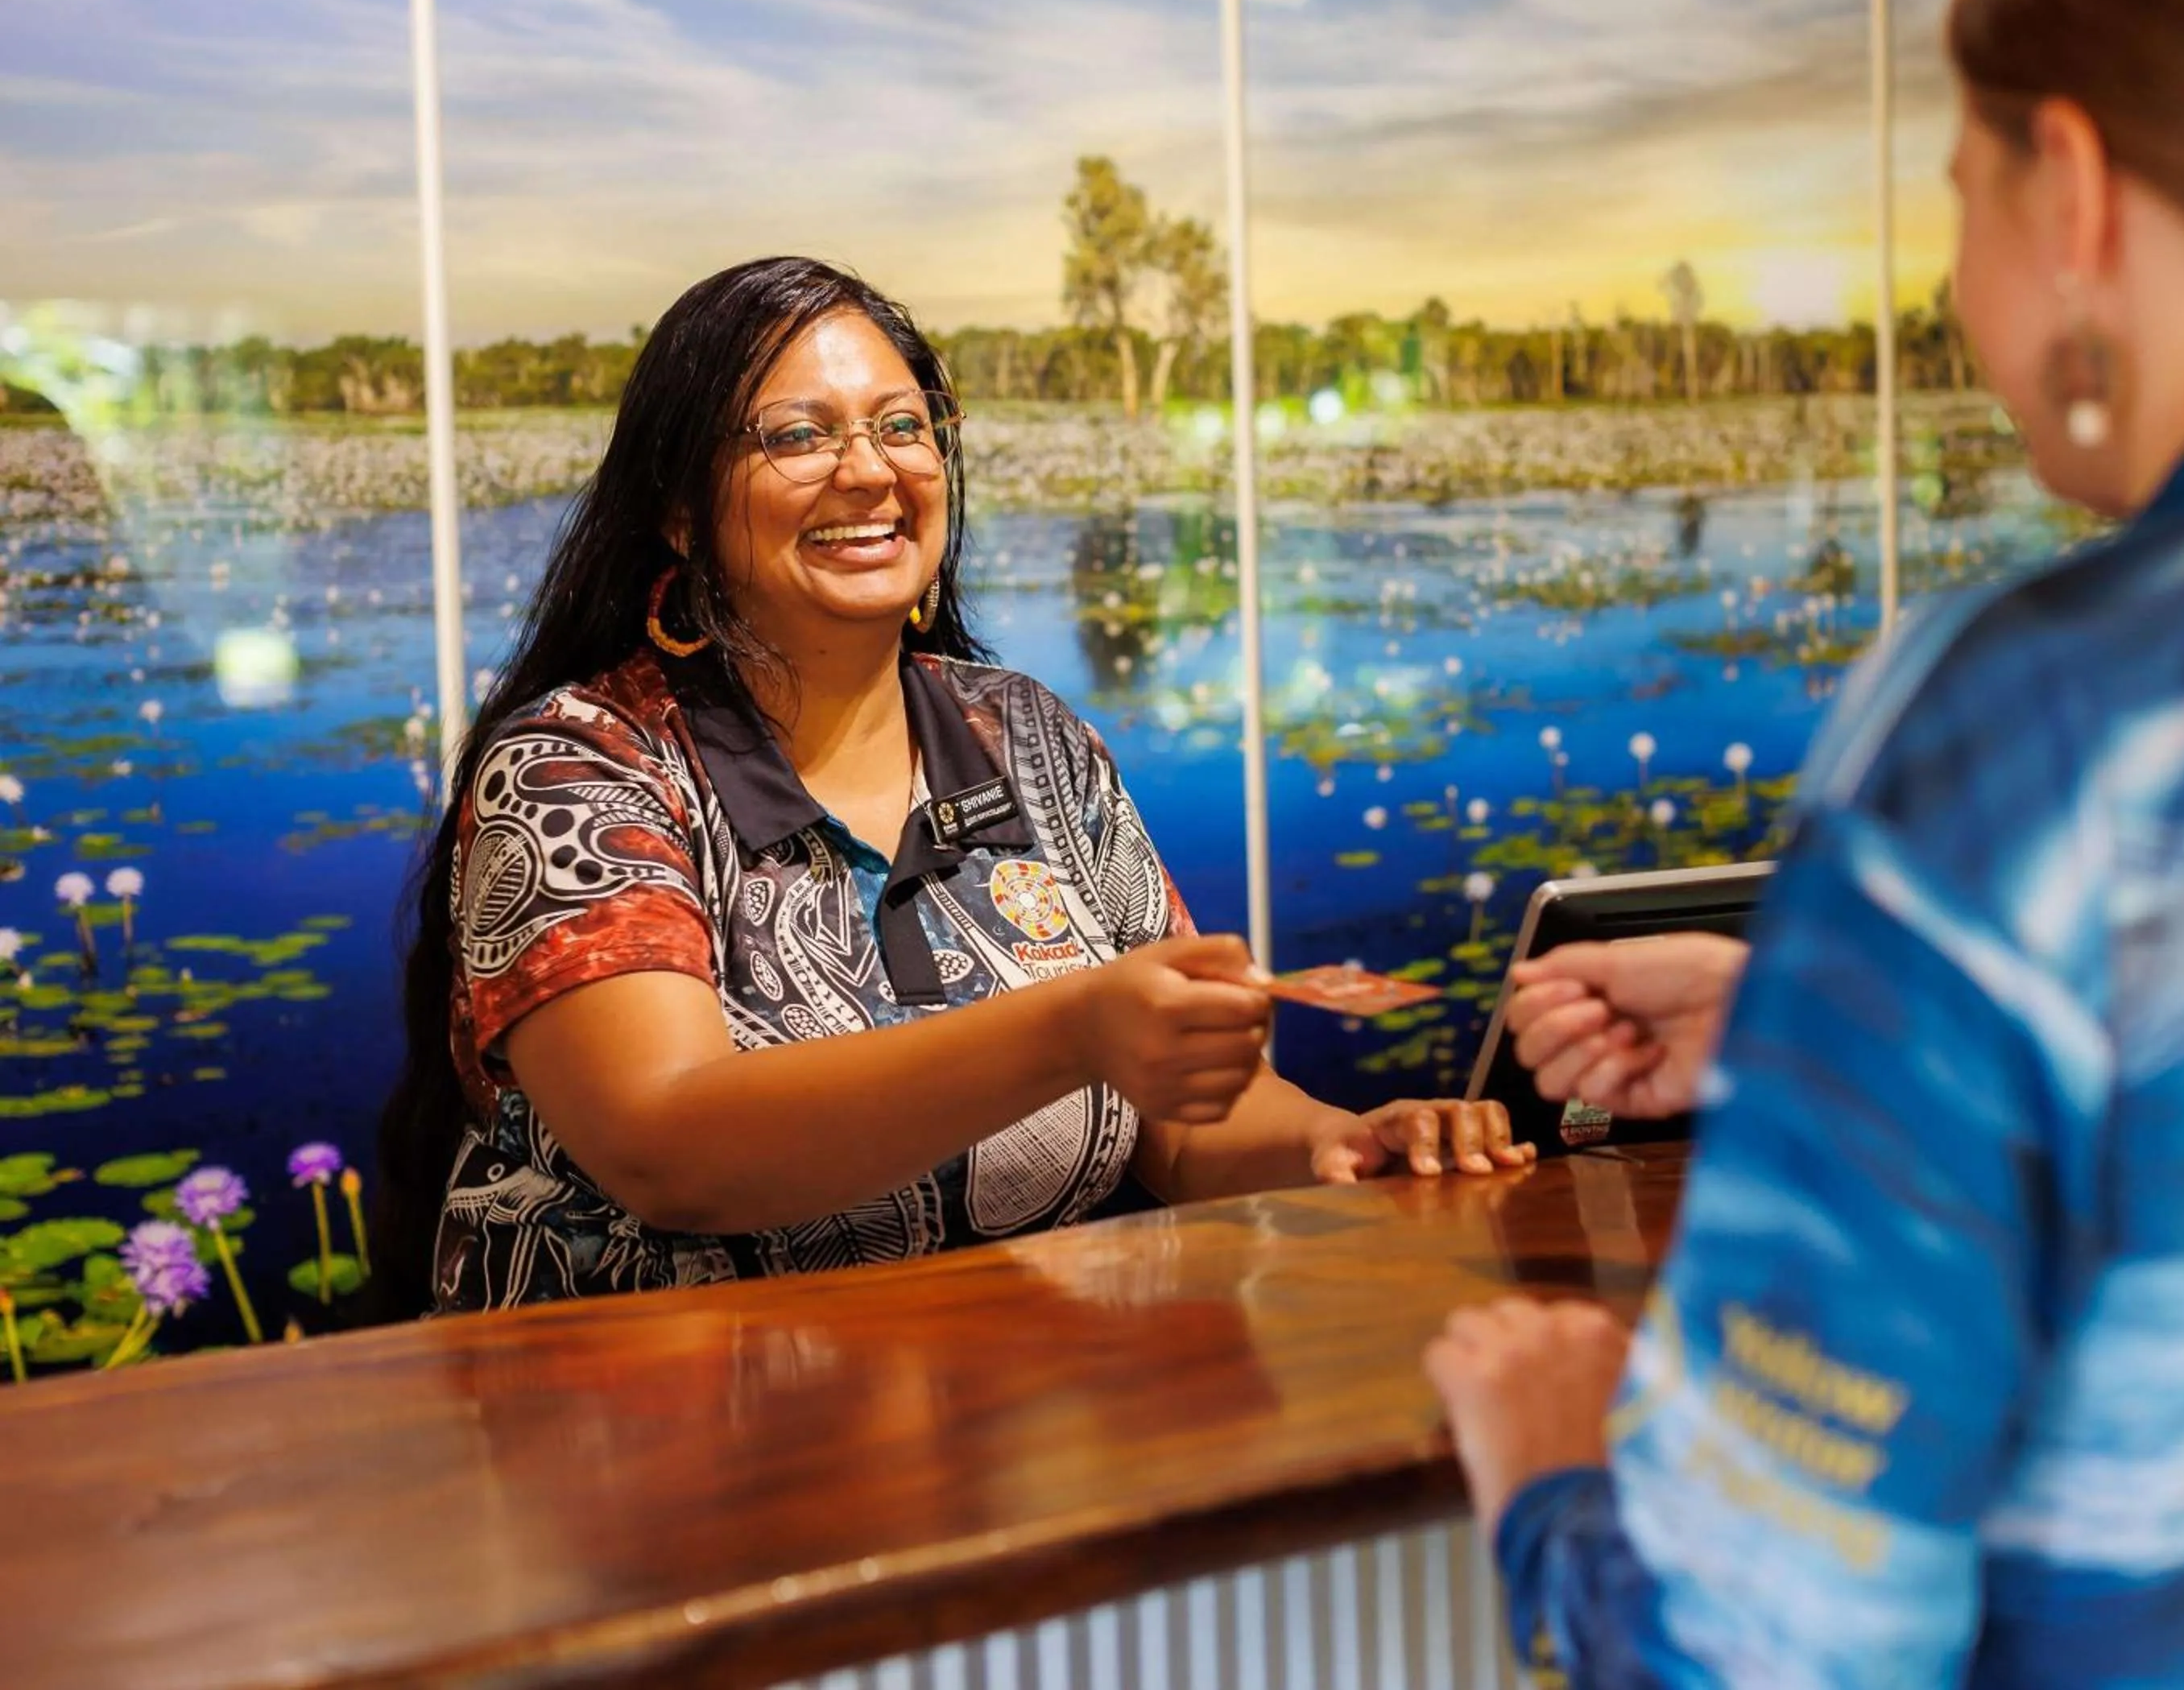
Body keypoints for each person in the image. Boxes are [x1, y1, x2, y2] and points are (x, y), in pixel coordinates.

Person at [1423, 0, 2184, 1680]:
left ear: (2074, 191)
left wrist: (1559, 1486)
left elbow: (1771, 1647)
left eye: (1965, 201)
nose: (1962, 288)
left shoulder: (2053, 703)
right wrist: (1813, 1023)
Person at [374, 258, 1529, 1315]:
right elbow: (667, 1147)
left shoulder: (1028, 737)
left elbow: (1180, 1126)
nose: (869, 469)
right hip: (638, 1433)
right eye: (798, 435)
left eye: (902, 426)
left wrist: (1340, 1146)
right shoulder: (579, 771)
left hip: (1007, 1405)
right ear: (679, 508)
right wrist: (1072, 1028)